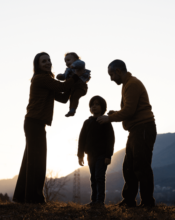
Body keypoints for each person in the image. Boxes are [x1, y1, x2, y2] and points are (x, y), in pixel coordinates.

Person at [12, 52, 85, 204]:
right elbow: (63, 86)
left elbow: (63, 98)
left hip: (35, 123)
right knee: (36, 161)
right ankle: (33, 198)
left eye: (49, 60)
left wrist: (75, 87)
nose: (48, 63)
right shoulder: (41, 79)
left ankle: (21, 196)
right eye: (43, 61)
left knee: (30, 161)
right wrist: (77, 76)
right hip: (34, 123)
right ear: (37, 65)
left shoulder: (48, 81)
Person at [96, 59, 157, 208]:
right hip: (136, 130)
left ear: (118, 71)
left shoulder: (132, 84)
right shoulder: (127, 85)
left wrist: (110, 118)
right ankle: (129, 200)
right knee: (128, 166)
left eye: (111, 74)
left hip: (143, 129)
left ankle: (147, 202)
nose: (111, 79)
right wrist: (116, 113)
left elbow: (129, 110)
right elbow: (130, 110)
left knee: (141, 166)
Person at [77, 96, 115, 206]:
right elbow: (82, 139)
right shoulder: (87, 122)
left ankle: (100, 201)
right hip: (90, 155)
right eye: (92, 104)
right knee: (93, 177)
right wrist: (80, 155)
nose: (94, 106)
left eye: (97, 104)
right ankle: (94, 200)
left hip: (102, 155)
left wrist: (108, 155)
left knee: (99, 176)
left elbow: (110, 139)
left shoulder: (106, 122)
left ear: (103, 107)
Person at [56, 52, 91, 117]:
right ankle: (71, 110)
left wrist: (74, 65)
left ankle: (73, 109)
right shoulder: (68, 69)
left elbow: (81, 63)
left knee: (75, 96)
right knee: (71, 98)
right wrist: (61, 76)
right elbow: (65, 76)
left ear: (75, 59)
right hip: (72, 87)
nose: (66, 62)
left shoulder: (79, 65)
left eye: (68, 60)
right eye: (65, 61)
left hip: (80, 86)